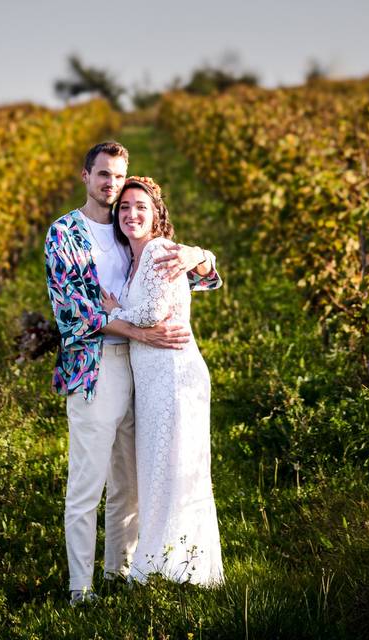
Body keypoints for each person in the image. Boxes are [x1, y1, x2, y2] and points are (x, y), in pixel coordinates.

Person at [43, 141, 221, 605]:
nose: (110, 184)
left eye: (118, 177)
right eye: (102, 174)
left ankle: (120, 572)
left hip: (146, 373)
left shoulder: (129, 234)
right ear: (85, 176)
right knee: (87, 485)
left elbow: (198, 278)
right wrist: (140, 333)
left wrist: (199, 253)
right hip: (96, 368)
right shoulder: (64, 233)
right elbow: (73, 315)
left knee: (131, 482)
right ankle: (80, 589)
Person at [101, 176, 224, 586]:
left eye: (141, 207)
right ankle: (164, 565)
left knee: (174, 468)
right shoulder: (132, 256)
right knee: (159, 469)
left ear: (157, 215)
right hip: (153, 380)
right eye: (124, 208)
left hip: (173, 376)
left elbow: (152, 314)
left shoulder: (156, 250)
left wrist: (113, 313)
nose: (131, 214)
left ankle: (177, 570)